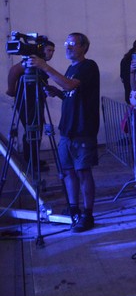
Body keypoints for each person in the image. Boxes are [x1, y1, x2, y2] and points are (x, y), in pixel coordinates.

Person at [31, 33, 100, 233]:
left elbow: (70, 85)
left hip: (82, 129)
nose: (67, 47)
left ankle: (88, 214)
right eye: (66, 43)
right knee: (68, 171)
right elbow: (71, 92)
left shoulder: (88, 66)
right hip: (67, 130)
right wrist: (58, 92)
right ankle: (73, 208)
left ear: (84, 47)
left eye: (72, 44)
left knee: (83, 171)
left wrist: (45, 67)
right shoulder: (71, 68)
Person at [7, 39, 55, 171]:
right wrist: (11, 90)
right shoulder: (31, 61)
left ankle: (33, 160)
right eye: (49, 50)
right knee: (32, 131)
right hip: (26, 101)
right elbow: (14, 71)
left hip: (36, 100)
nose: (51, 53)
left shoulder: (40, 63)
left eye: (53, 51)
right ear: (41, 49)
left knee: (36, 130)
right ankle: (30, 164)